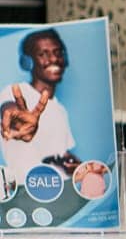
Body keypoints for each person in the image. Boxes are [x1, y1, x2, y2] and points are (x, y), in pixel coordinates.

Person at [1, 29, 80, 174]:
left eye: (58, 53)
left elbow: (61, 155)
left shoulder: (60, 109)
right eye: (43, 54)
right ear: (27, 62)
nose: (54, 59)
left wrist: (80, 167)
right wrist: (20, 123)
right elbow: (10, 111)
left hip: (61, 192)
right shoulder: (14, 92)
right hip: (26, 191)